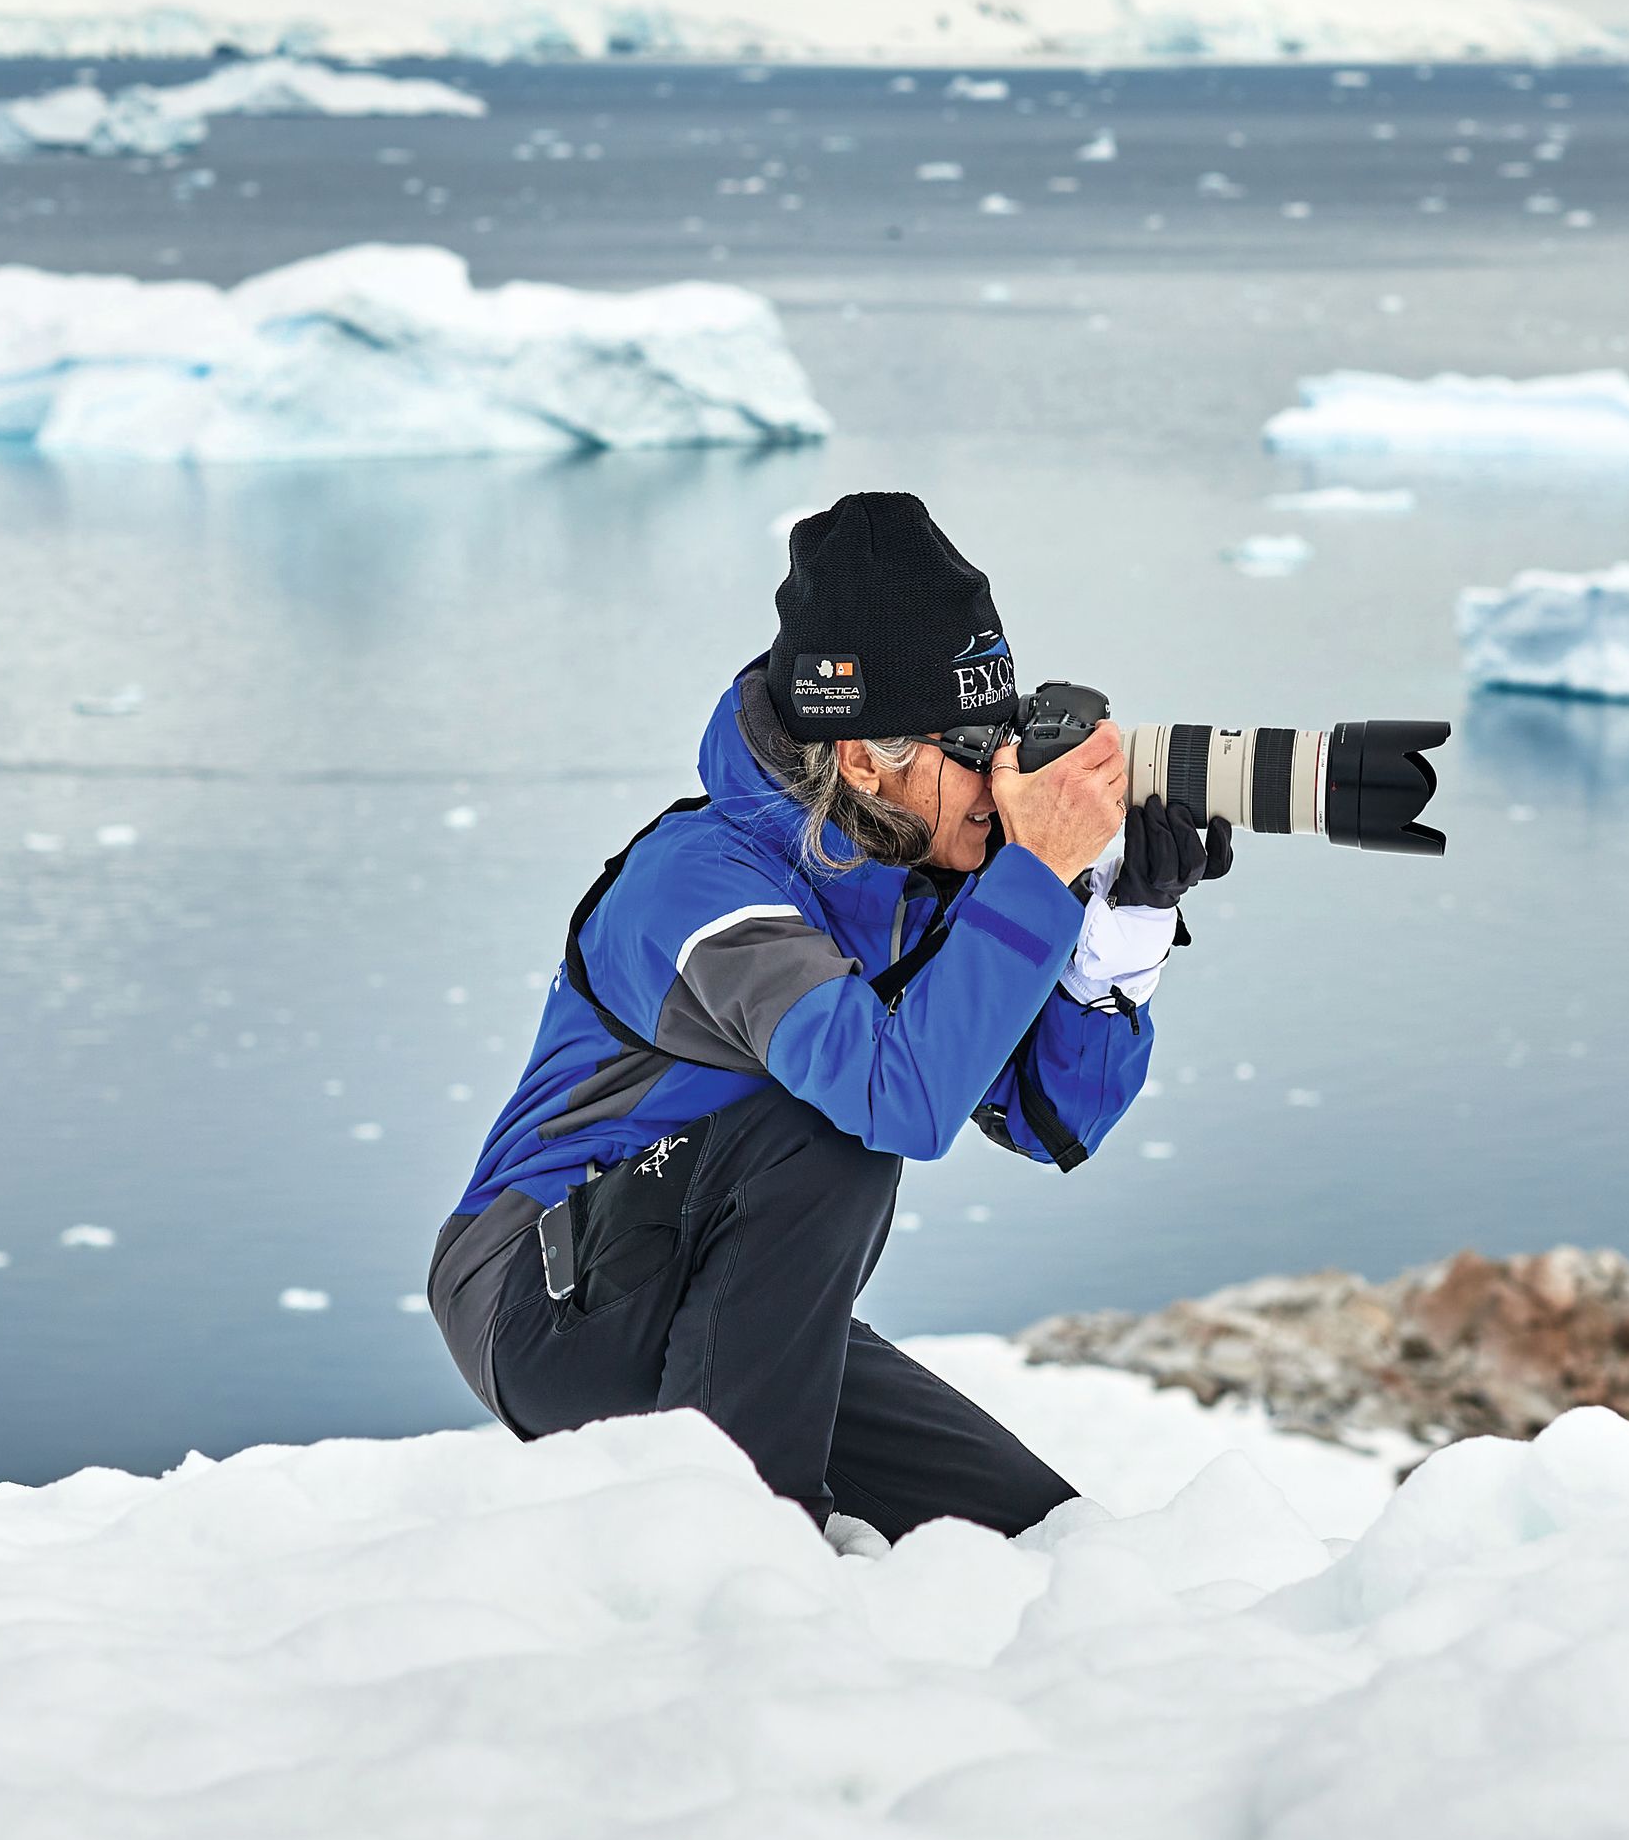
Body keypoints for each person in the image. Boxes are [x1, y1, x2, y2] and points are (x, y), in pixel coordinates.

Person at [426, 490, 1230, 1537]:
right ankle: (750, 1550)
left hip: (718, 1311)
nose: (1004, 777)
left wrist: (1115, 943)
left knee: (1039, 1537)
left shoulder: (912, 872)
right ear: (864, 757)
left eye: (1009, 737)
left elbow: (1044, 1120)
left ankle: (775, 1512)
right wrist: (1034, 870)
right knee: (833, 1116)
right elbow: (897, 1100)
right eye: (975, 747)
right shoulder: (700, 886)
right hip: (540, 1298)